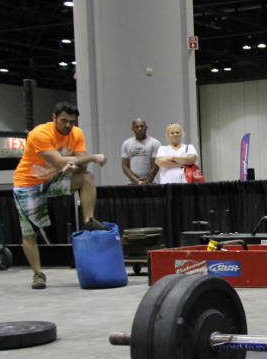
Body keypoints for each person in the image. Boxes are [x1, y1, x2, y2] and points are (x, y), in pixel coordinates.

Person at [12, 101, 109, 289]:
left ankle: (89, 219)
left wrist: (76, 162)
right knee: (29, 232)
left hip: (52, 180)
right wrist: (93, 157)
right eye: (64, 121)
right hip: (28, 184)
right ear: (54, 118)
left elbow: (82, 165)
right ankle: (38, 274)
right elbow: (59, 161)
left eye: (72, 122)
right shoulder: (40, 134)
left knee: (86, 178)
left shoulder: (76, 134)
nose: (67, 125)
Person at [121, 118, 160, 184]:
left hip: (150, 183)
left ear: (146, 128)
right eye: (137, 127)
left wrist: (147, 181)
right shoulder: (126, 144)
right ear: (132, 129)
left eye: (142, 126)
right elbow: (125, 166)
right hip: (132, 183)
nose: (140, 128)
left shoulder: (155, 143)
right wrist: (137, 181)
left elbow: (155, 166)